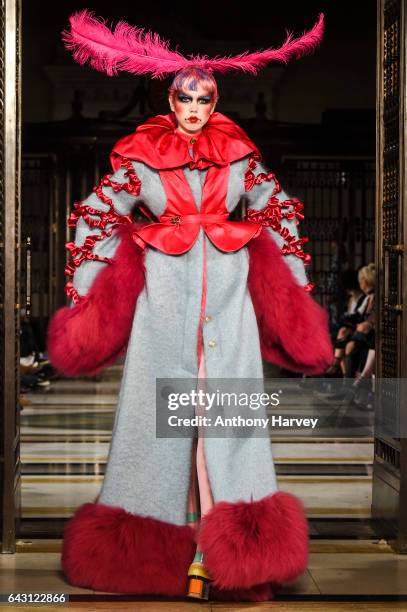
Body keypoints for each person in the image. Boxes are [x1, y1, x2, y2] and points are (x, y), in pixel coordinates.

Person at [48, 10, 332, 602]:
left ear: (215, 99)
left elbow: (278, 213)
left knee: (227, 423)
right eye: (185, 97)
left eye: (205, 97)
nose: (195, 107)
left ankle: (233, 557)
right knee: (158, 423)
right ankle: (152, 554)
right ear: (171, 99)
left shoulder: (239, 155)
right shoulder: (140, 155)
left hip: (227, 299)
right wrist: (90, 298)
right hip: (164, 298)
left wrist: (295, 292)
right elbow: (96, 215)